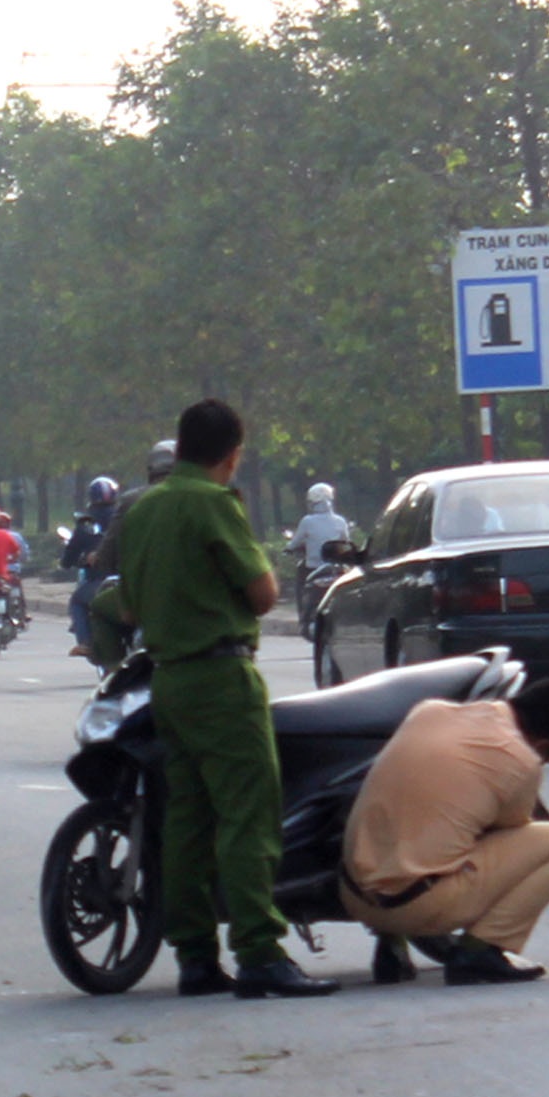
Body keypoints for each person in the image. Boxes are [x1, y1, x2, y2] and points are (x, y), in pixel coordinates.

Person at [117, 400, 330, 999]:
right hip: (222, 678)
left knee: (186, 819)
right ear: (232, 454)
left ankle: (194, 957)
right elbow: (263, 594)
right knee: (247, 814)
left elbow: (127, 607)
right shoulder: (214, 504)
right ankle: (259, 949)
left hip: (168, 681)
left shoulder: (143, 509)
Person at [341, 679, 549, 985]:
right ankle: (479, 952)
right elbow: (509, 832)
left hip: (353, 896)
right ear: (543, 746)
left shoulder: (428, 711)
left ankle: (392, 944)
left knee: (414, 827)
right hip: (416, 906)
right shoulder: (521, 759)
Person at [88, 441, 178, 669]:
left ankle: (114, 674)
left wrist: (102, 562)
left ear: (151, 470)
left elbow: (108, 550)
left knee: (99, 608)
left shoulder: (132, 500)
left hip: (143, 596)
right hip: (198, 597)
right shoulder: (207, 497)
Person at [64, 475, 121, 655]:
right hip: (130, 579)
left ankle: (86, 642)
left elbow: (69, 557)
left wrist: (71, 561)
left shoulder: (86, 523)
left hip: (99, 581)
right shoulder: (125, 516)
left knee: (77, 602)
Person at [286, 481, 353, 623]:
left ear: (312, 503)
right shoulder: (340, 521)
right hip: (335, 568)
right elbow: (346, 542)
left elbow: (295, 542)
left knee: (300, 585)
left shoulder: (307, 521)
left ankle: (303, 616)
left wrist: (288, 547)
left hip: (313, 567)